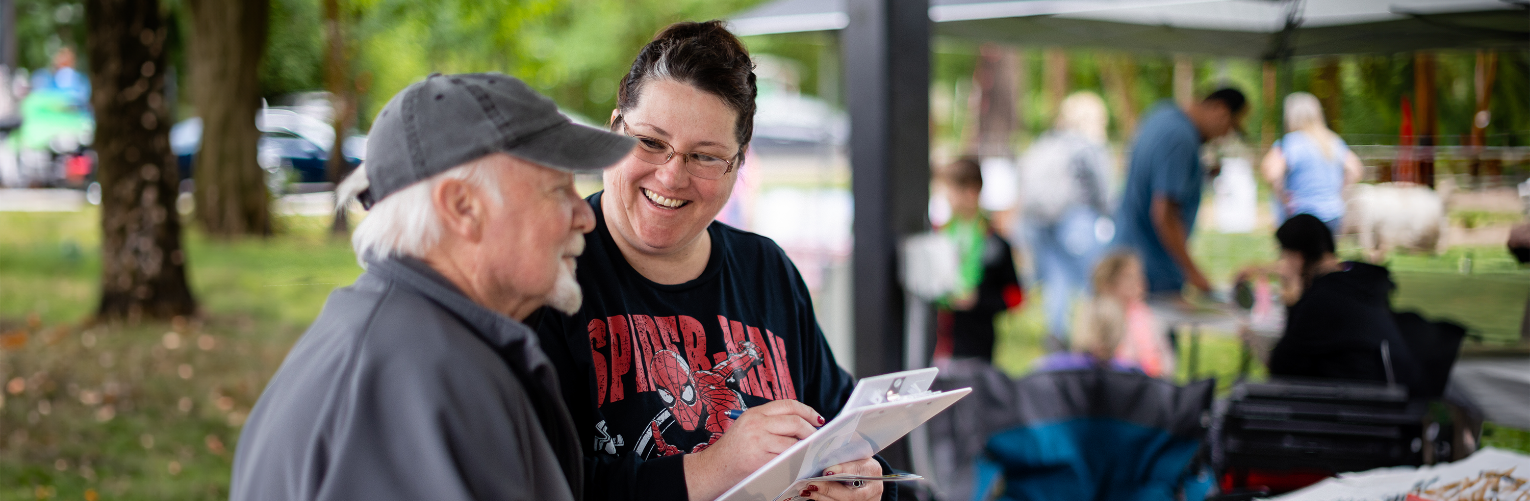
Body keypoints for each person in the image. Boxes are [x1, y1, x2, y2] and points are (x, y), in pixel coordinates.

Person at [230, 73, 637, 501]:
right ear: (463, 208)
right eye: (559, 190)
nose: (584, 215)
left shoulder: (414, 346)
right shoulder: (407, 384)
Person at [531, 21, 890, 501]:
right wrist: (713, 468)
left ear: (739, 165)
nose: (671, 175)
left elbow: (845, 429)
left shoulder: (766, 270)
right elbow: (533, 481)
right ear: (615, 128)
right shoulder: (544, 270)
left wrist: (863, 480)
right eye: (651, 142)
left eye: (705, 157)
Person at [1239, 214, 1421, 390]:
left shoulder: (1321, 300)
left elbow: (1282, 367)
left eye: (1284, 256)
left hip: (1362, 406)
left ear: (1298, 257)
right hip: (1392, 393)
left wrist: (1292, 298)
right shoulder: (1358, 280)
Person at [1112, 88, 1248, 296]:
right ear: (1220, 111)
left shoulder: (1162, 115)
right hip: (1151, 272)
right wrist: (1194, 273)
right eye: (1231, 126)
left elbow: (1155, 177)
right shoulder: (1181, 138)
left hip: (1127, 257)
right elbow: (1164, 213)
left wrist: (1200, 173)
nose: (1225, 136)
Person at [1016, 91, 1113, 349]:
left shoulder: (1047, 142)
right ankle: (1093, 336)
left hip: (1042, 222)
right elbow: (1103, 188)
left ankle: (1056, 335)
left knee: (1056, 280)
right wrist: (1108, 213)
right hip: (1076, 218)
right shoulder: (1087, 145)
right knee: (1091, 282)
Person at [932, 157, 1024, 364]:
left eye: (952, 191)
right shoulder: (938, 236)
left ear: (971, 192)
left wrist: (979, 300)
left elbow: (1015, 296)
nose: (947, 198)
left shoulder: (995, 243)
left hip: (977, 344)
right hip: (941, 341)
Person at [1261, 92, 1363, 235]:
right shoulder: (1332, 141)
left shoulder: (1289, 143)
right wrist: (1336, 193)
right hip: (1333, 215)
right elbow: (1355, 169)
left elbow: (1272, 174)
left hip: (1302, 217)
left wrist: (1283, 198)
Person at [1088, 251, 1174, 378]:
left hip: (1150, 383)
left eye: (1139, 276)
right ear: (1107, 284)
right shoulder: (1100, 316)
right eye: (1129, 277)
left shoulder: (1145, 316)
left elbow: (1164, 359)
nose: (1139, 282)